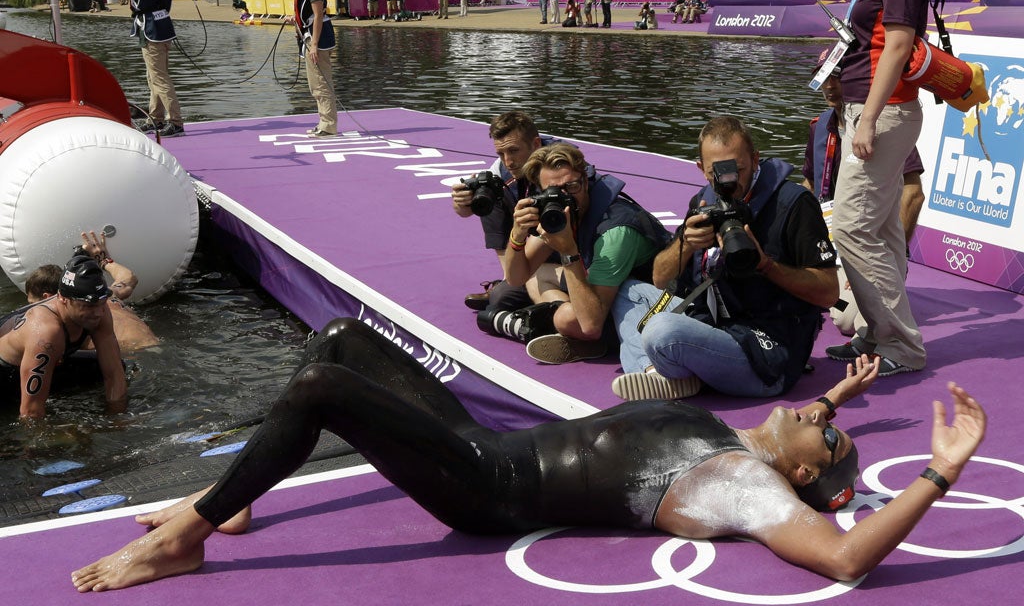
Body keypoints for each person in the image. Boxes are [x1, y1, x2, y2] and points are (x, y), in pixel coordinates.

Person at [70, 318, 988, 592]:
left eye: (825, 433)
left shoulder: (741, 482)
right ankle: (232, 494)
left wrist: (940, 472)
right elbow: (811, 430)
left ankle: (185, 535)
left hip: (490, 489)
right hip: (488, 444)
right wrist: (838, 402)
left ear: (793, 472)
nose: (817, 413)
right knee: (342, 339)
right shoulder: (750, 436)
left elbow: (842, 551)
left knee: (323, 392)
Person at [611, 116, 838, 401]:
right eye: (716, 172)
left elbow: (829, 293)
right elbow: (660, 279)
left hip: (766, 352)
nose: (729, 181)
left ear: (756, 159)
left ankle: (670, 373)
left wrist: (765, 265)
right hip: (713, 323)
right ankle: (653, 374)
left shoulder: (793, 203)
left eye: (738, 169)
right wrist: (686, 243)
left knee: (660, 330)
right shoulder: (705, 201)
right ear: (701, 169)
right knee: (628, 292)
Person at [829, 0, 930, 376]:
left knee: (850, 228)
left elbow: (897, 45)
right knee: (883, 228)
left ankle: (901, 345)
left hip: (883, 111)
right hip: (872, 106)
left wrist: (866, 117)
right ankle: (877, 334)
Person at [480, 143, 670, 364]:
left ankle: (594, 337)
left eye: (572, 186)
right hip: (607, 287)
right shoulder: (555, 211)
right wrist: (517, 234)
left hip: (647, 301)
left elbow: (589, 325)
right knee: (536, 276)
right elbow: (516, 277)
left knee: (567, 319)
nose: (566, 197)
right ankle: (584, 335)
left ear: (586, 181)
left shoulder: (616, 231)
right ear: (541, 192)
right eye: (554, 191)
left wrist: (568, 250)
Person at [801, 51, 924, 345]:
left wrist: (893, 260)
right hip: (831, 245)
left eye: (838, 76)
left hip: (870, 246)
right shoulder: (819, 127)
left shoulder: (881, 125)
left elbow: (913, 194)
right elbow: (808, 185)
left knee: (845, 317)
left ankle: (886, 338)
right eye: (825, 77)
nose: (830, 86)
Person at [1, 255, 127, 419]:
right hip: (4, 375)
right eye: (88, 306)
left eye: (102, 303)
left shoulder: (99, 311)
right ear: (62, 298)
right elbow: (30, 411)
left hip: (34, 363)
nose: (97, 313)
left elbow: (114, 374)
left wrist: (117, 421)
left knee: (117, 367)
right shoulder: (45, 333)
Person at [451, 111, 551, 312]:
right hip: (533, 243)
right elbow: (464, 213)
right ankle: (511, 278)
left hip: (563, 242)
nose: (508, 161)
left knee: (501, 300)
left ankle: (516, 282)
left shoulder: (557, 169)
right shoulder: (502, 167)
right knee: (488, 192)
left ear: (536, 144)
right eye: (501, 154)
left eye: (514, 151)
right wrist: (462, 203)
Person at [24, 232, 159, 353]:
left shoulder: (76, 325)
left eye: (31, 303)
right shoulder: (106, 296)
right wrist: (102, 259)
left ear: (48, 297)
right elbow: (129, 279)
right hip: (156, 347)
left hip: (137, 356)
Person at [117, 0, 183, 138]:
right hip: (164, 26)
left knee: (159, 78)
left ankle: (176, 122)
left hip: (150, 29)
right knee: (153, 75)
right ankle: (155, 118)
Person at [291, 0, 337, 139]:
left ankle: (328, 125)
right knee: (316, 83)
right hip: (313, 34)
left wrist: (315, 45)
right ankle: (324, 122)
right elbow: (311, 14)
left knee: (320, 83)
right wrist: (295, 18)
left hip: (316, 37)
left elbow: (318, 16)